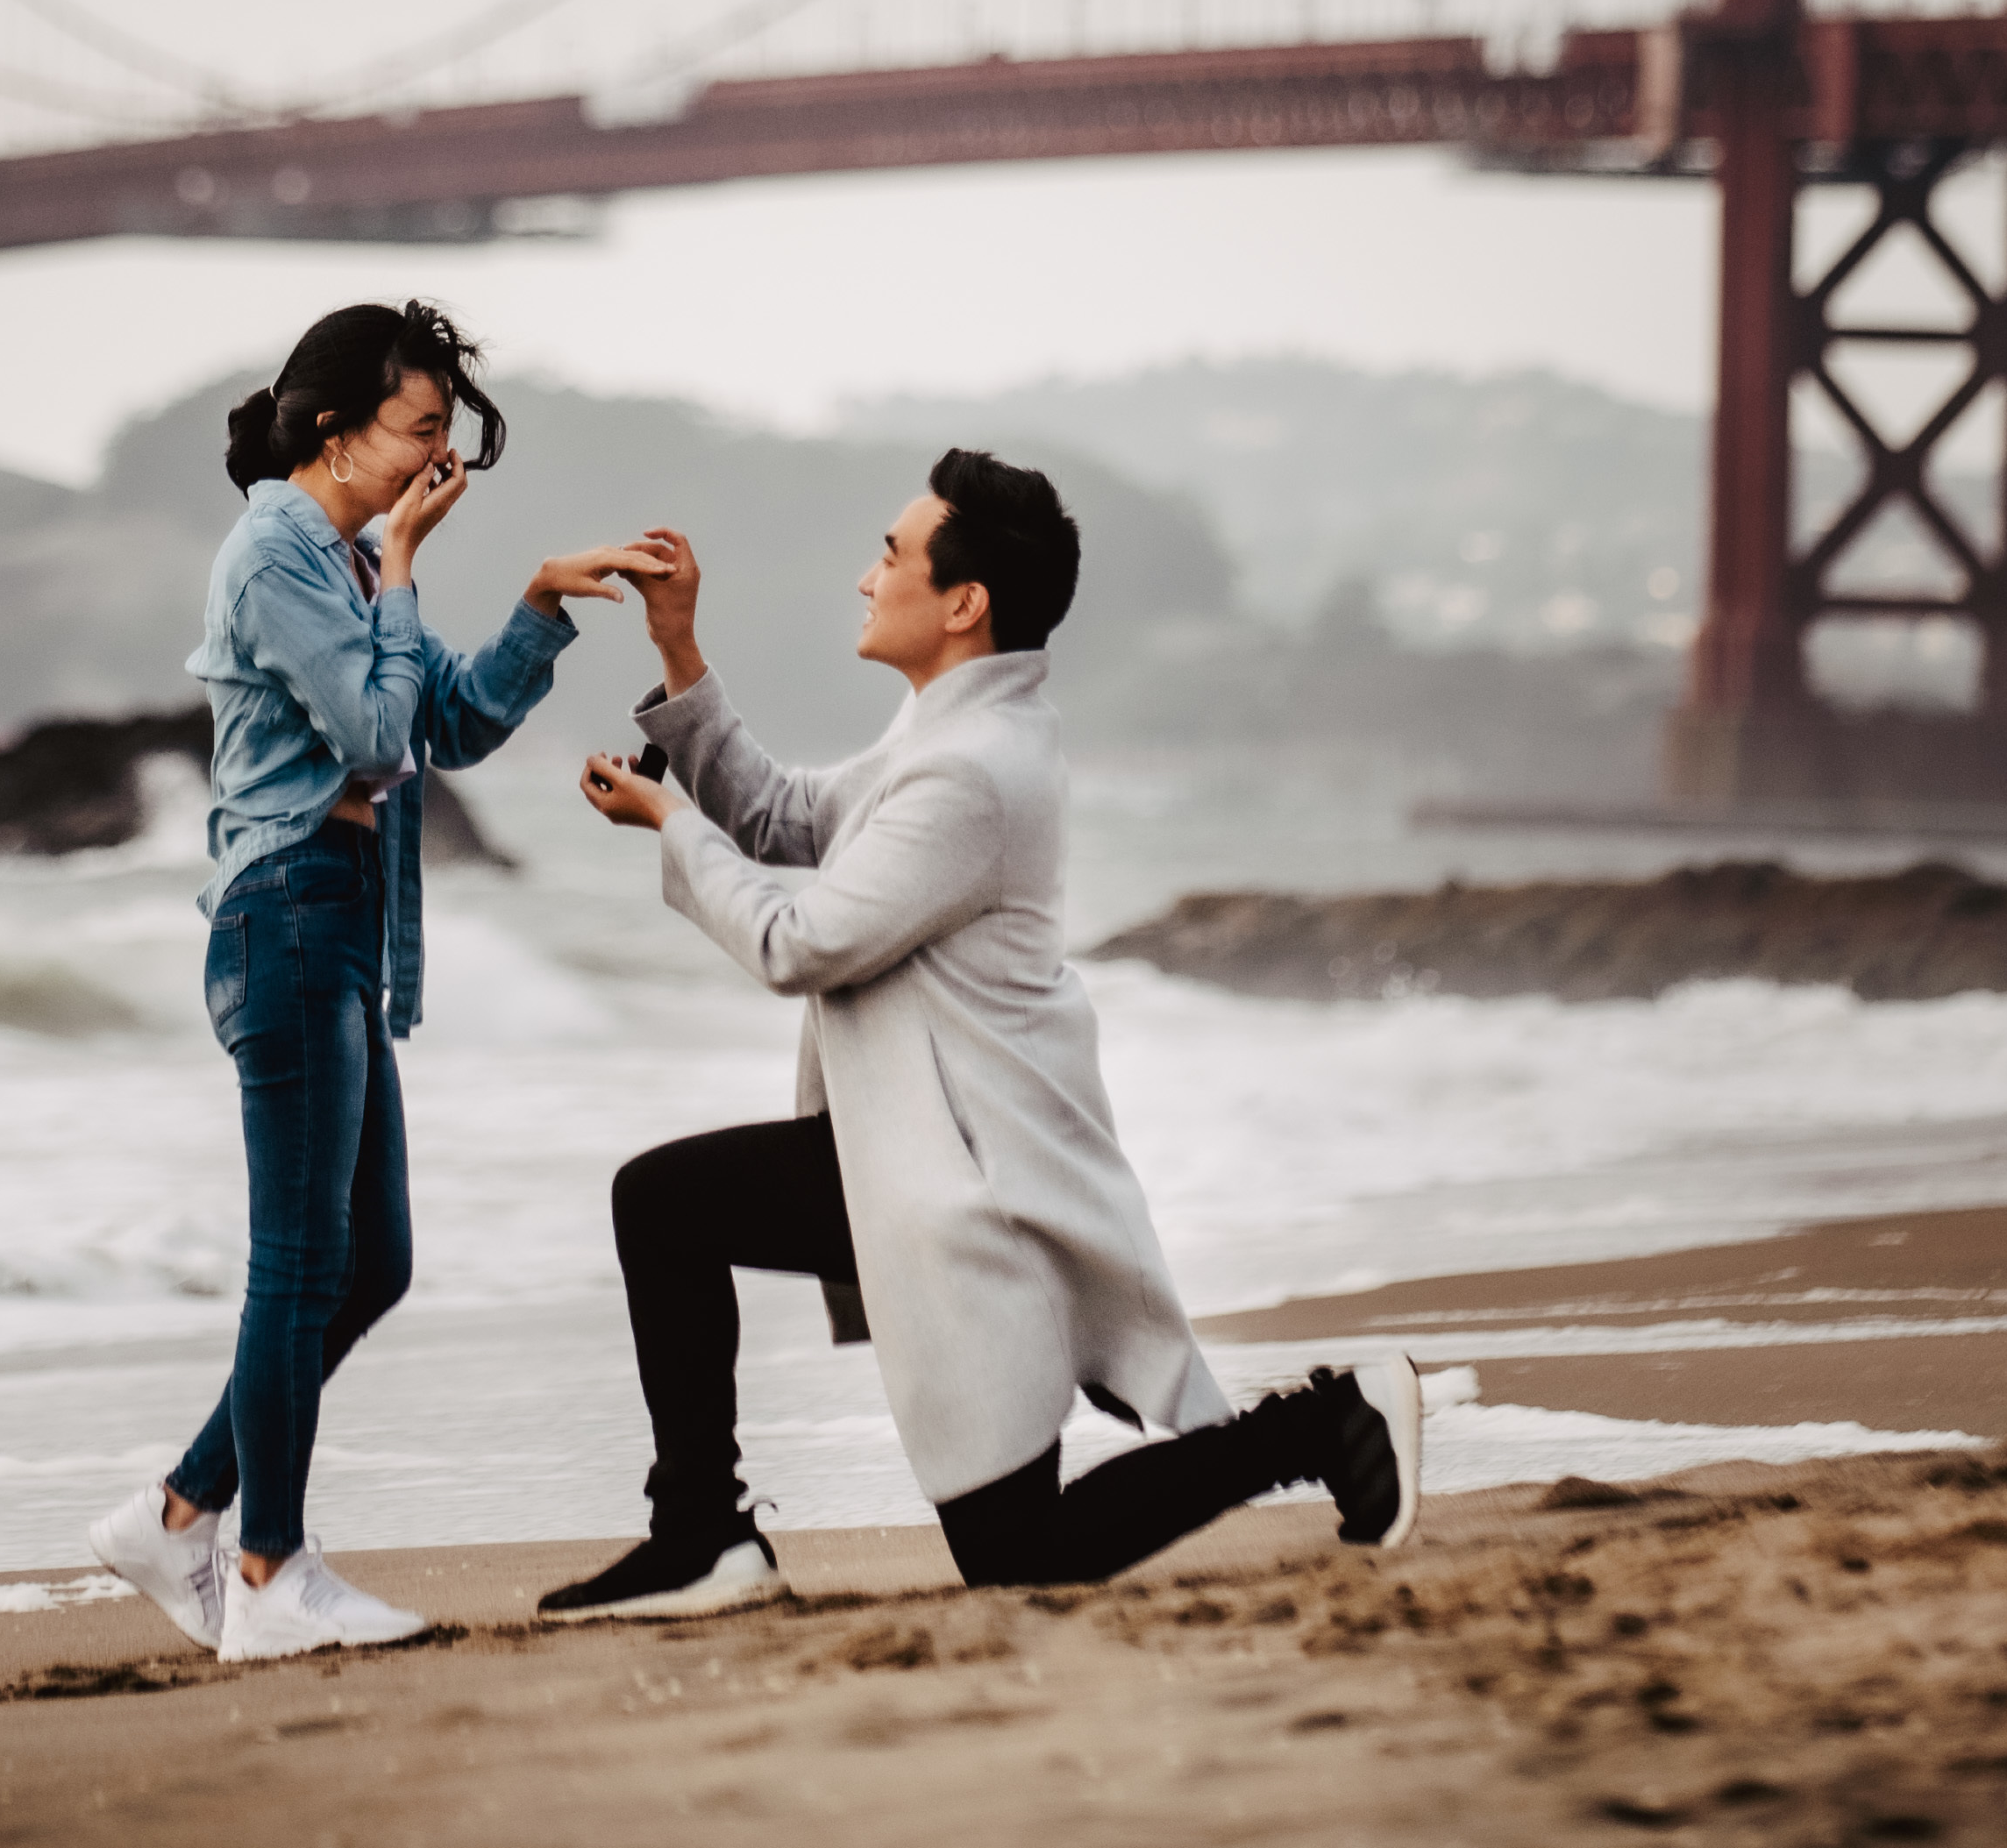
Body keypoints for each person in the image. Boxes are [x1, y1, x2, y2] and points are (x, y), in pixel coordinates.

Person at [541, 448, 1419, 1620]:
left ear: (964, 602)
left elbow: (801, 943)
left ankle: (1324, 1424)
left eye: (891, 555)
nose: (867, 578)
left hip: (970, 1174)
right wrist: (679, 650)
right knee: (666, 1204)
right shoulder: (948, 736)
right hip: (903, 1145)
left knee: (1016, 1555)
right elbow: (789, 817)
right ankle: (701, 1532)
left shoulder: (975, 771)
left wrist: (669, 827)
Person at [89, 301, 666, 1664]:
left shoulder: (344, 554)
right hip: (286, 911)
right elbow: (372, 725)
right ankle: (270, 1570)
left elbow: (443, 726)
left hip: (339, 921)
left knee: (372, 1263)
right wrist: (403, 569)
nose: (432, 463)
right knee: (298, 1264)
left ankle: (176, 1516)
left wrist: (532, 605)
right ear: (338, 430)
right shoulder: (284, 550)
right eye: (419, 433)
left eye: (445, 442)